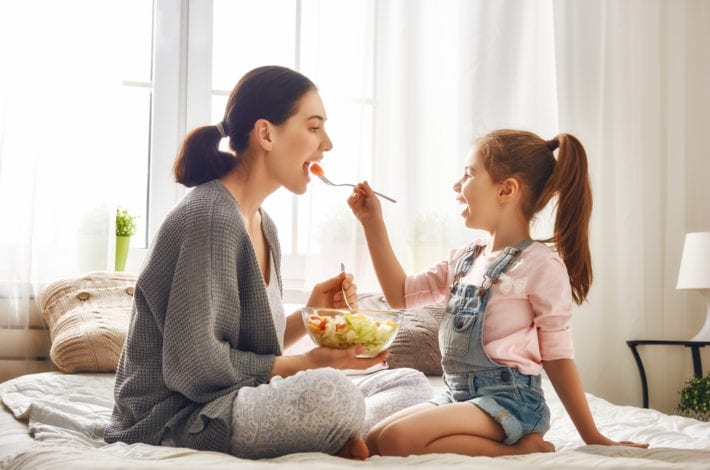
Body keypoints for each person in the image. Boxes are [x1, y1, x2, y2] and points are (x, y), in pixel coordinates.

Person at [104, 65, 387, 460]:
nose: (328, 144)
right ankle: (348, 432)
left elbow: (248, 348)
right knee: (334, 393)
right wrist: (307, 363)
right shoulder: (210, 219)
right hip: (177, 417)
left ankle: (346, 432)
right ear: (266, 134)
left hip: (234, 397)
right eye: (314, 127)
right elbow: (195, 367)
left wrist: (310, 314)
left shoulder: (262, 223)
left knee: (404, 382)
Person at [347, 129, 650, 457]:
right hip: (458, 395)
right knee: (375, 438)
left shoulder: (540, 266)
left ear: (507, 189)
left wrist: (592, 435)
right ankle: (514, 445)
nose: (456, 186)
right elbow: (399, 295)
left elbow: (558, 357)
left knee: (397, 441)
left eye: (468, 174)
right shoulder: (463, 259)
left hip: (509, 400)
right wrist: (371, 221)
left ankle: (524, 448)